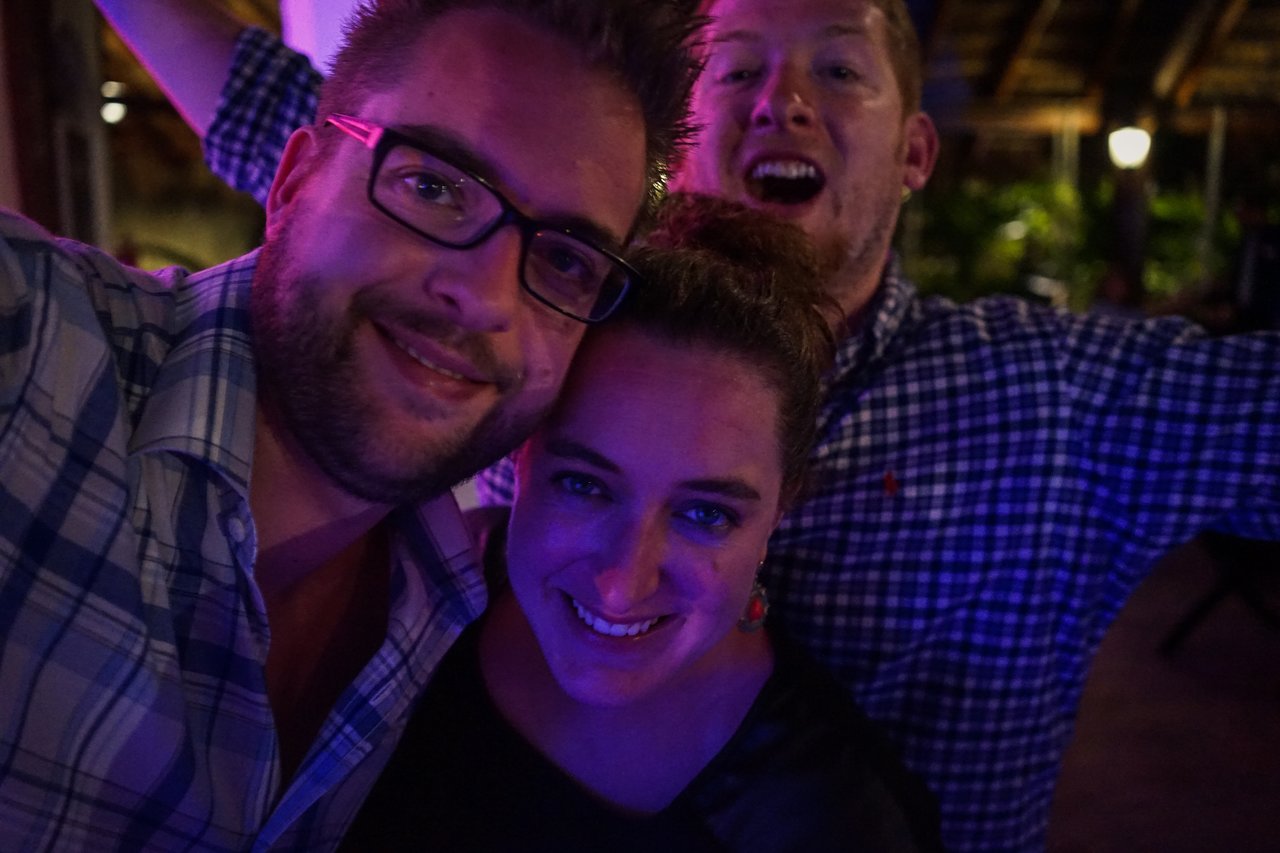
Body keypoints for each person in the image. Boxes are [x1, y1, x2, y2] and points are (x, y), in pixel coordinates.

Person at [95, 0, 1280, 848]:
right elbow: (341, 154)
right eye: (737, 68)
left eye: (839, 69)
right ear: (678, 149)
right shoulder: (552, 300)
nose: (784, 101)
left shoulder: (1063, 400)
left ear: (915, 149)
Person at [0, 2, 702, 849]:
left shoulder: (465, 613)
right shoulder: (31, 342)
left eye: (563, 258)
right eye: (435, 186)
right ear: (294, 179)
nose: (484, 298)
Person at [340, 193, 941, 851]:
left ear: (781, 507)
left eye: (705, 514)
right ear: (520, 448)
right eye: (585, 486)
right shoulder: (390, 615)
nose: (622, 584)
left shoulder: (830, 820)